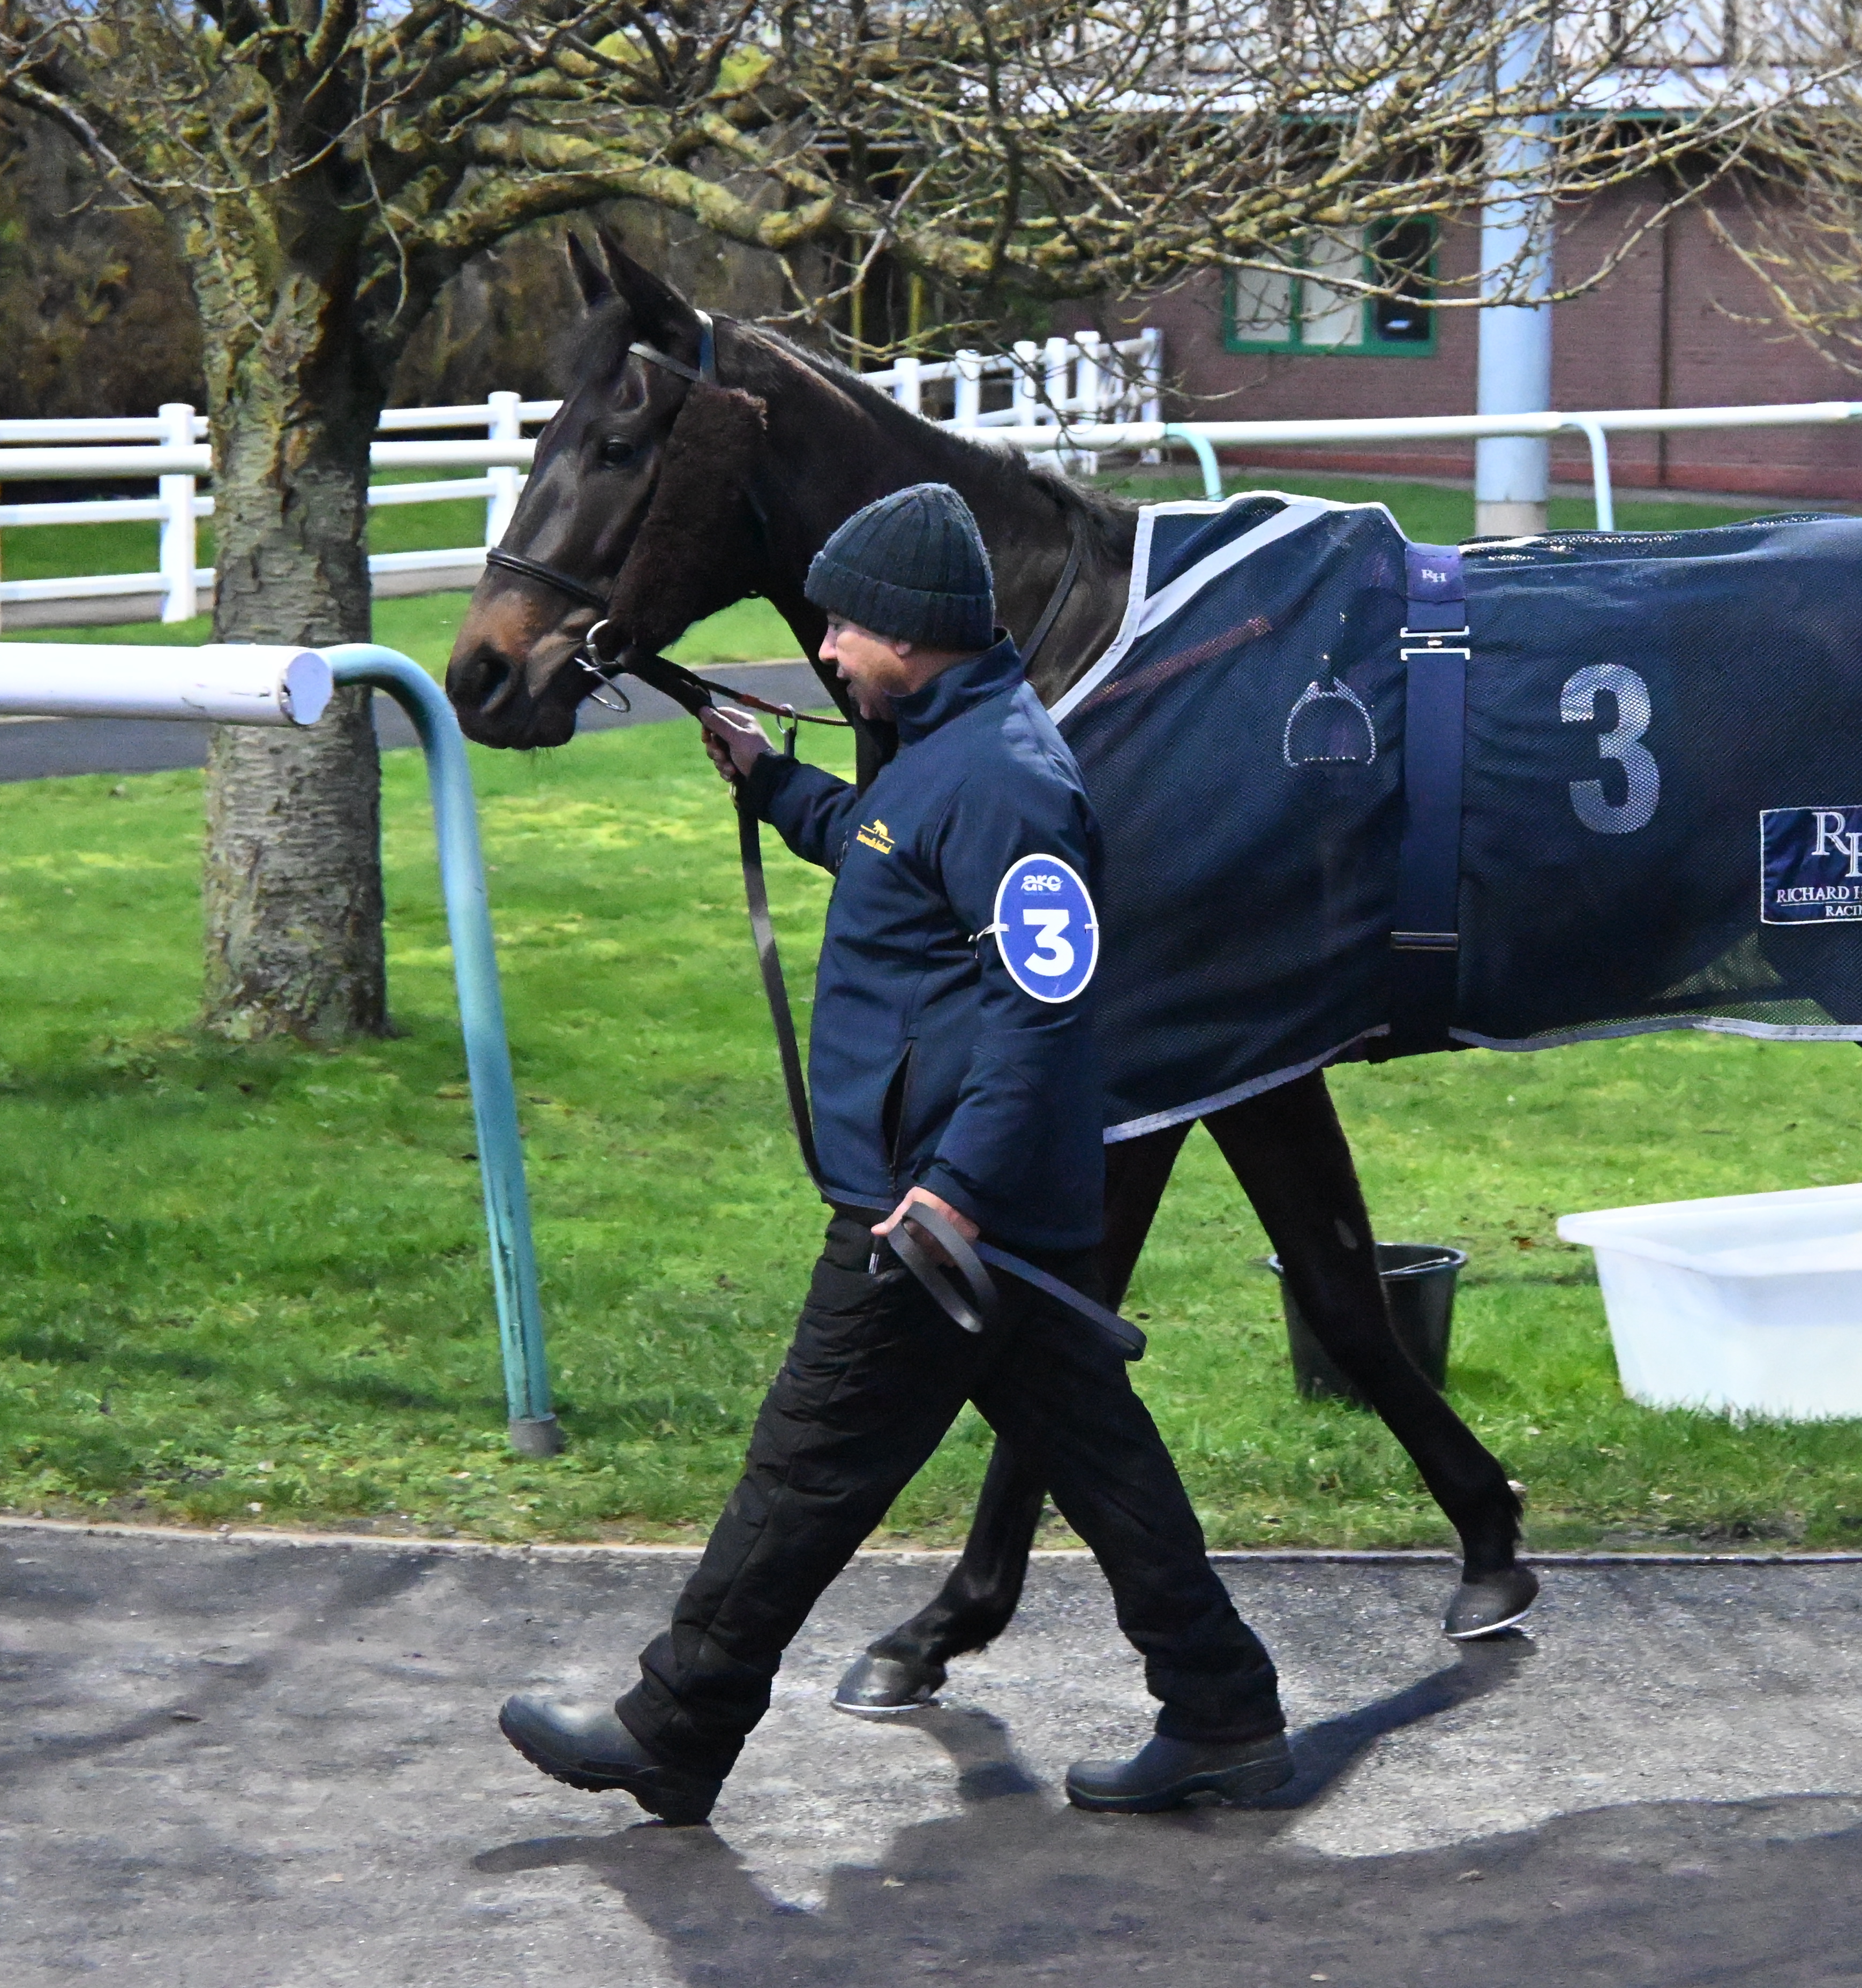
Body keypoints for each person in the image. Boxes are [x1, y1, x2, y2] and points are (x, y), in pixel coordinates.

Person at [498, 483, 1290, 1823]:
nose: (825, 651)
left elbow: (1046, 1006)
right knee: (1102, 1459)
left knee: (805, 1464)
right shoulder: (940, 750)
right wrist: (776, 782)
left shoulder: (1003, 780)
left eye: (846, 628)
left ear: (913, 635)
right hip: (970, 1202)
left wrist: (954, 1192)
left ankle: (674, 1723)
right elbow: (885, 857)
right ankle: (1224, 1711)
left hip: (931, 1215)